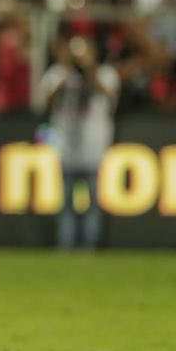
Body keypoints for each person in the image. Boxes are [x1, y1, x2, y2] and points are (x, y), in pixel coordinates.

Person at [40, 35, 120, 248]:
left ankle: (90, 247)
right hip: (65, 149)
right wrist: (67, 70)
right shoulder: (58, 74)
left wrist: (89, 70)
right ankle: (66, 246)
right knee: (65, 203)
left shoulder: (105, 73)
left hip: (94, 150)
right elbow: (44, 101)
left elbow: (111, 97)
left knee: (93, 204)